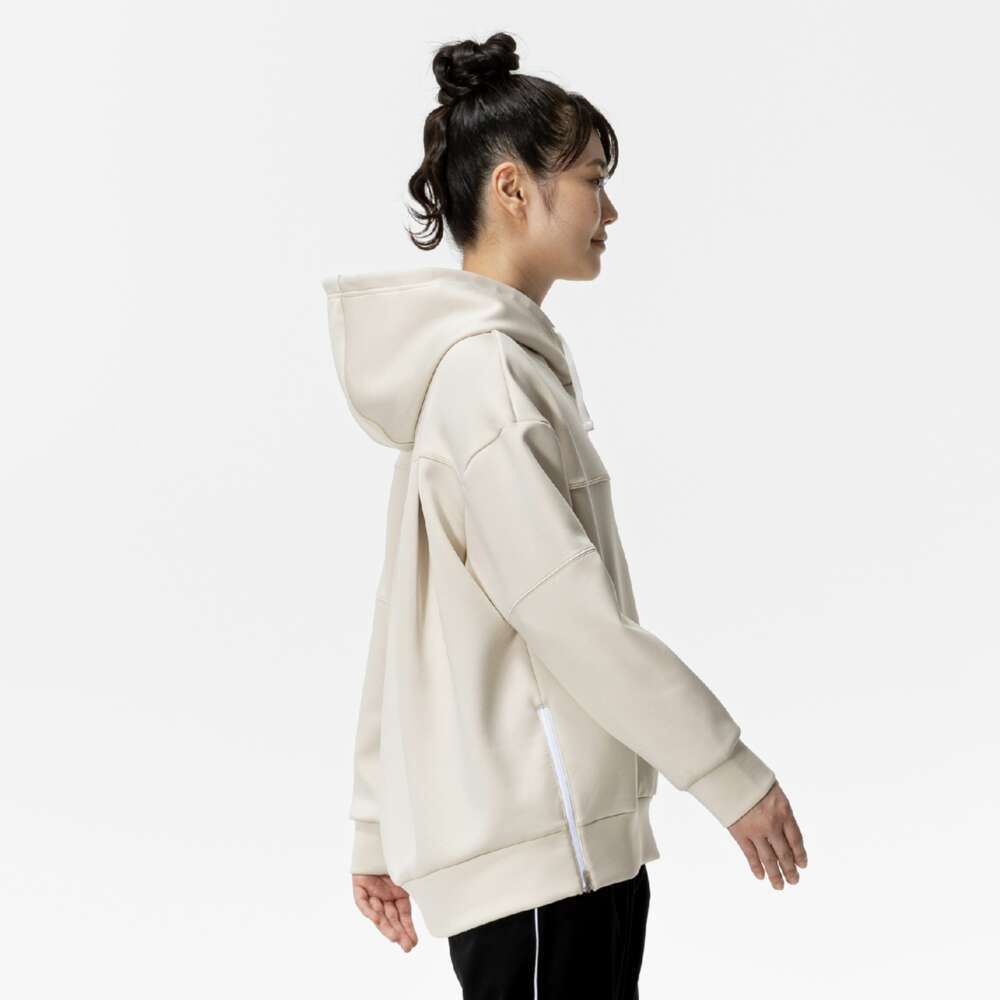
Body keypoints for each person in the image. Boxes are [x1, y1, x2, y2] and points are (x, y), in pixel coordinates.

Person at [321, 30, 808, 998]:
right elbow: (569, 613)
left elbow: (399, 614)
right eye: (591, 179)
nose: (609, 209)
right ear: (514, 189)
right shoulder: (484, 378)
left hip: (555, 857)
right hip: (549, 863)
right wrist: (726, 770)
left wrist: (376, 825)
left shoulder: (478, 370)